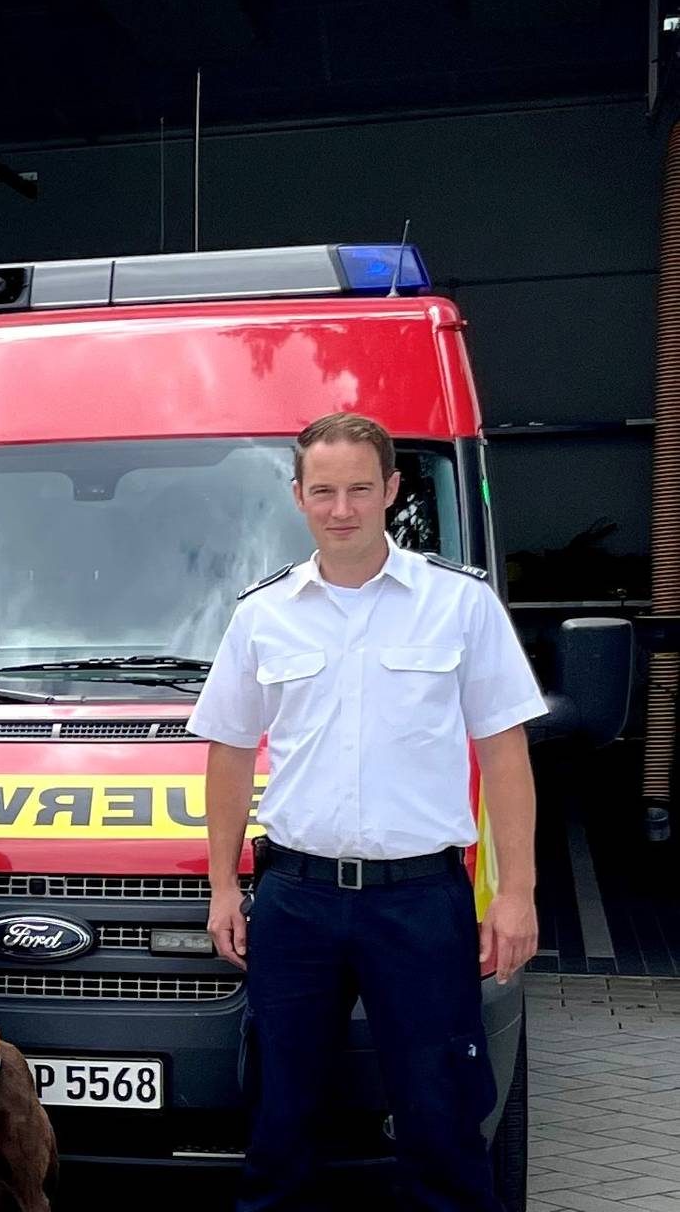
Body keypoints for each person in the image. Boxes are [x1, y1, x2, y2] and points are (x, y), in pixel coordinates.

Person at [190, 413, 543, 1211]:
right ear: (298, 497)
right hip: (296, 902)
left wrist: (517, 892)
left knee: (441, 1120)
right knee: (279, 1120)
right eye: (323, 491)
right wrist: (222, 887)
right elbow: (230, 751)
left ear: (391, 490)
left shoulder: (460, 604)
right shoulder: (263, 613)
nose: (341, 508)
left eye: (359, 489)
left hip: (420, 902)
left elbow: (505, 754)